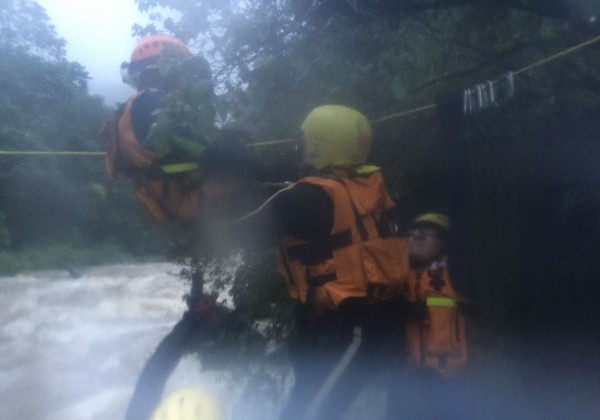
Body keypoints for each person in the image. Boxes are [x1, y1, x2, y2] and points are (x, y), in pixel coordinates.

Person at [262, 105, 410, 420]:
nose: (299, 145)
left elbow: (233, 222)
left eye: (304, 139)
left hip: (349, 328)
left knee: (310, 413)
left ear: (319, 145)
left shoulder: (307, 199)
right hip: (362, 319)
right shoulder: (363, 186)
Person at [393, 212, 472, 418]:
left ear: (444, 243)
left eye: (429, 232)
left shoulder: (460, 275)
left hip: (451, 381)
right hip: (406, 379)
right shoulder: (393, 276)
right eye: (414, 231)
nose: (418, 236)